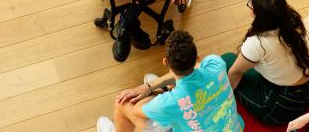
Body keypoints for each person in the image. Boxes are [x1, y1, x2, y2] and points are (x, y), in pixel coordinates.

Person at [96, 30, 244, 132]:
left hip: (173, 103)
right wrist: (150, 86)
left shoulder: (170, 102)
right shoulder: (216, 63)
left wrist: (156, 93)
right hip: (234, 128)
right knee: (170, 89)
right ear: (197, 57)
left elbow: (137, 111)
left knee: (123, 103)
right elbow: (196, 69)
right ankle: (165, 88)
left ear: (165, 61)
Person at [221, 0, 309, 125]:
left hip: (283, 104)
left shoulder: (257, 43)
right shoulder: (293, 20)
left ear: (256, 12)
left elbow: (235, 72)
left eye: (251, 4)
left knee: (227, 60)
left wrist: (224, 96)